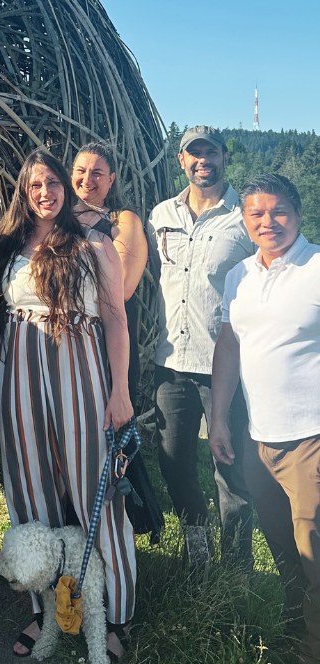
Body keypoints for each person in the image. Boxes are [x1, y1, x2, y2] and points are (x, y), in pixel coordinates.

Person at [0, 151, 135, 661]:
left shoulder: (91, 242)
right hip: (16, 373)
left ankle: (112, 614)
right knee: (30, 489)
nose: (44, 192)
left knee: (94, 487)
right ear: (22, 192)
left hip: (78, 369)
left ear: (66, 188)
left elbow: (116, 320)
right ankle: (45, 608)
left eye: (52, 183)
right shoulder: (7, 247)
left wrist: (120, 391)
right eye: (34, 185)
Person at [209, 175, 320, 664]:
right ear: (244, 219)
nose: (267, 223)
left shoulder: (317, 267)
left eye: (278, 212)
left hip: (312, 442)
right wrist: (219, 419)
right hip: (260, 442)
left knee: (315, 555)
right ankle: (302, 643)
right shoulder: (239, 277)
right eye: (256, 214)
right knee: (285, 556)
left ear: (298, 213)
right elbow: (229, 347)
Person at [147, 125, 256, 567]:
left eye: (210, 152)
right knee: (173, 461)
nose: (202, 160)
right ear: (181, 160)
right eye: (193, 154)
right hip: (171, 362)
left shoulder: (244, 217)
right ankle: (199, 548)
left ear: (224, 158)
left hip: (225, 365)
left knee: (229, 467)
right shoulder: (160, 215)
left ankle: (237, 563)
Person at [72, 141, 164, 542]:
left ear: (111, 180)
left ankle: (128, 523)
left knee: (111, 438)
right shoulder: (54, 217)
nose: (87, 180)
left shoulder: (122, 221)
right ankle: (75, 519)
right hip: (63, 345)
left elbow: (121, 289)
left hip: (106, 344)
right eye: (80, 170)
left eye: (97, 173)